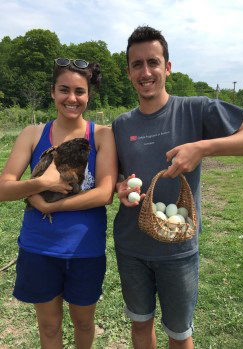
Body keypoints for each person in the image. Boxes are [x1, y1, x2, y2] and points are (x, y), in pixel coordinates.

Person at [112, 25, 243, 349]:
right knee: (140, 324)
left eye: (153, 62)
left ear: (167, 67)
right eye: (137, 64)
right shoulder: (120, 125)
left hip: (179, 251)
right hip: (131, 248)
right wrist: (119, 188)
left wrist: (202, 148)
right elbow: (115, 179)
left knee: (179, 333)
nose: (146, 72)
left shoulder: (196, 108)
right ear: (129, 71)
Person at [0, 58, 117, 349]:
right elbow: (4, 188)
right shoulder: (33, 134)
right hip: (39, 247)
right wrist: (42, 183)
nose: (72, 98)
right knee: (49, 327)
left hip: (85, 250)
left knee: (84, 324)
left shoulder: (101, 135)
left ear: (89, 96)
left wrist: (51, 206)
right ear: (53, 92)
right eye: (64, 90)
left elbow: (104, 193)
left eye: (80, 91)